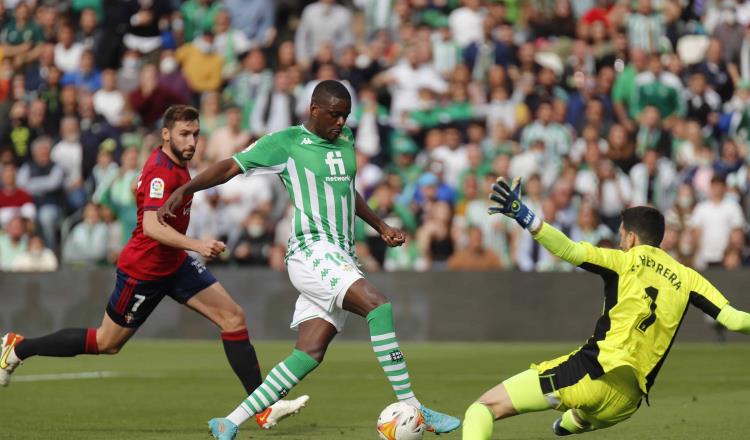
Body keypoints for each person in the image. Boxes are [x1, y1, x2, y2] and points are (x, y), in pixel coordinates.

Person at [157, 80, 460, 440]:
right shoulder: (285, 143)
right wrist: (186, 188)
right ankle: (415, 407)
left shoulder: (344, 139)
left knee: (310, 352)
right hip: (311, 251)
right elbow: (229, 167)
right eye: (334, 115)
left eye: (346, 115)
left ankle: (230, 421)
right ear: (314, 109)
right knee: (379, 307)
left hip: (341, 255)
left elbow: (346, 188)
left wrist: (379, 225)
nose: (341, 122)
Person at [0, 105, 306, 430]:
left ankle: (263, 408)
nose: (192, 142)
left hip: (175, 263)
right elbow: (150, 226)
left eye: (196, 134)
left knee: (233, 318)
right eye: (184, 134)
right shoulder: (162, 171)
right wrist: (198, 245)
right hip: (144, 270)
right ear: (166, 134)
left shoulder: (177, 164)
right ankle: (18, 347)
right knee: (107, 343)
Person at [461, 178, 750, 439]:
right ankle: (573, 422)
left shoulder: (622, 261)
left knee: (482, 409)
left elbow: (569, 250)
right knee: (583, 414)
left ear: (632, 238)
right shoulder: (689, 278)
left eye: (622, 235)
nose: (621, 241)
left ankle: (574, 416)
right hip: (627, 403)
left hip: (592, 373)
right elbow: (735, 320)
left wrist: (525, 216)